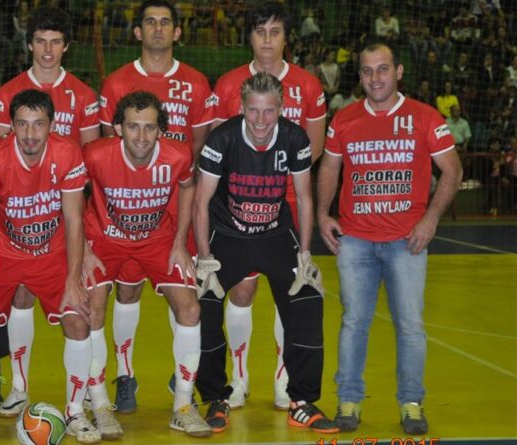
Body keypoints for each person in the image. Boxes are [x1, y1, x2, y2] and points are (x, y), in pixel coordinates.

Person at [317, 42, 462, 435]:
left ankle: (411, 404)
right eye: (367, 71)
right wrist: (322, 212)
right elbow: (330, 167)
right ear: (359, 75)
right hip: (356, 240)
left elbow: (452, 170)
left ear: (398, 71)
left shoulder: (425, 117)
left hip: (406, 241)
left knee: (411, 325)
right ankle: (348, 400)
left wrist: (431, 218)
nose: (375, 77)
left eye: (382, 69)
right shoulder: (344, 119)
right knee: (353, 323)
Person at [0, 89, 100, 445]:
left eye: (38, 125)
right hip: (5, 251)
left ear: (52, 124)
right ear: (11, 126)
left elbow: (74, 219)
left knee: (78, 320)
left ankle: (76, 412)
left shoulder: (67, 152)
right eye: (22, 124)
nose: (31, 134)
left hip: (51, 252)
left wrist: (72, 280)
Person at [194, 72, 338, 434]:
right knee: (204, 303)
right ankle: (215, 397)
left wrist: (305, 255)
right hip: (227, 234)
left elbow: (304, 198)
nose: (260, 121)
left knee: (307, 297)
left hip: (275, 233)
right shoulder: (222, 138)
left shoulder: (294, 138)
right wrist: (204, 257)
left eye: (269, 112)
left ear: (281, 109)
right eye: (253, 111)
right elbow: (200, 203)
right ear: (242, 107)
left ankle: (301, 401)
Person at [209, 0, 326, 418]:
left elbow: (311, 152)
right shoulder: (226, 85)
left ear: (285, 38)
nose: (267, 41)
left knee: (289, 295)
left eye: (275, 32)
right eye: (260, 32)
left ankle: (283, 380)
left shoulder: (309, 86)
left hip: (287, 207)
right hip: (236, 208)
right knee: (241, 288)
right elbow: (216, 146)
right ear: (250, 37)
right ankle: (238, 380)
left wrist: (275, 177)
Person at [97, 0, 214, 414]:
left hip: (177, 202)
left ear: (178, 32)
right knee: (126, 290)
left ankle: (181, 379)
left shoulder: (197, 83)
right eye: (150, 22)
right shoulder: (116, 82)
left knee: (183, 291)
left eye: (166, 23)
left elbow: (199, 149)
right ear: (138, 32)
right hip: (129, 207)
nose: (159, 29)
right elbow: (105, 149)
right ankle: (125, 376)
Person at [0, 6, 100, 418]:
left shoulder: (84, 95)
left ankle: (85, 391)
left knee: (80, 304)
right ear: (30, 44)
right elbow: (0, 162)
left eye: (56, 42)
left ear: (66, 46)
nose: (48, 50)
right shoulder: (7, 93)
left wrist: (86, 239)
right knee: (18, 294)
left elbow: (90, 168)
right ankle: (19, 385)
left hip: (64, 215)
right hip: (19, 219)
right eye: (41, 41)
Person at [82, 91, 211, 438]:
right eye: (133, 127)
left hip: (157, 240)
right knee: (92, 309)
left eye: (149, 128)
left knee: (190, 309)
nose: (141, 137)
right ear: (118, 128)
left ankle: (182, 405)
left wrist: (180, 242)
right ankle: (99, 404)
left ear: (161, 130)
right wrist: (83, 247)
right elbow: (69, 192)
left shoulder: (177, 155)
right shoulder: (95, 155)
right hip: (105, 240)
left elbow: (187, 187)